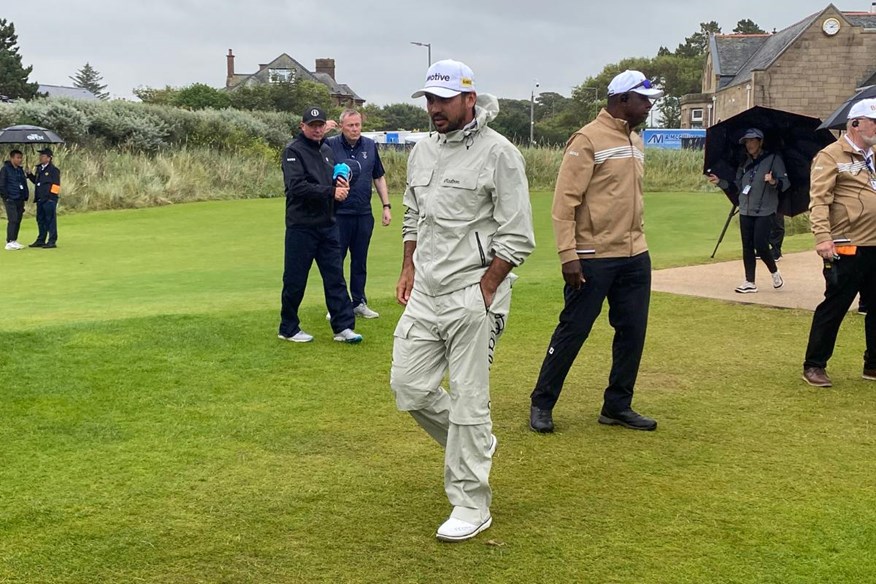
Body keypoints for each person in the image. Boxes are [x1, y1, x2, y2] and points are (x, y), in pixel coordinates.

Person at [390, 59, 535, 542]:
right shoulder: (422, 151)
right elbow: (414, 214)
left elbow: (517, 235)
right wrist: (409, 266)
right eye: (429, 100)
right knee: (409, 388)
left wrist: (487, 287)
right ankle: (473, 443)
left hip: (473, 293)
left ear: (469, 99)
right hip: (426, 292)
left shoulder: (500, 154)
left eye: (443, 100)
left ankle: (471, 503)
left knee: (471, 401)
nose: (434, 109)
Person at [528, 70, 662, 434]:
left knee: (632, 331)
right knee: (574, 330)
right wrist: (567, 254)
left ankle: (617, 405)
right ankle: (542, 401)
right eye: (643, 98)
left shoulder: (635, 140)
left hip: (635, 254)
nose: (648, 105)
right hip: (591, 256)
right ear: (622, 100)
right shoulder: (587, 139)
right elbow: (564, 202)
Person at [801, 98, 876, 387]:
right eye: (873, 122)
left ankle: (873, 364)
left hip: (874, 243)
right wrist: (822, 237)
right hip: (847, 243)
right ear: (855, 123)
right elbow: (819, 200)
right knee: (836, 304)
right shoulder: (830, 156)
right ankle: (815, 365)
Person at [277, 106, 363, 344]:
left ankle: (343, 327)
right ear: (302, 126)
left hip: (327, 224)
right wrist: (331, 192)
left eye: (320, 125)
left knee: (335, 277)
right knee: (295, 279)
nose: (316, 129)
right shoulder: (293, 151)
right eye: (312, 125)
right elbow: (297, 187)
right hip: (301, 226)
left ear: (325, 126)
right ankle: (288, 327)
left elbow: (330, 180)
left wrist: (340, 179)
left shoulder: (326, 150)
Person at [325, 109, 392, 319]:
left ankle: (359, 302)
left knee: (360, 260)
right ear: (342, 126)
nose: (355, 129)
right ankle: (336, 305)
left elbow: (378, 177)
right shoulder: (330, 145)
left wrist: (386, 205)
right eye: (350, 125)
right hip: (339, 213)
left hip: (363, 213)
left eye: (358, 125)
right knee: (337, 259)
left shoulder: (370, 146)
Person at [708, 128, 789, 293]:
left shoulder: (773, 159)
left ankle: (774, 272)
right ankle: (749, 281)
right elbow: (737, 186)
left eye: (753, 141)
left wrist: (773, 181)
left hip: (765, 209)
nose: (749, 144)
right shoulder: (744, 163)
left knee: (761, 245)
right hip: (745, 209)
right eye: (747, 141)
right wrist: (719, 182)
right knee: (747, 246)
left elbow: (785, 183)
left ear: (760, 142)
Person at [26, 147, 61, 248]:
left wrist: (51, 198)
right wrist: (29, 175)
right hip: (40, 199)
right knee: (40, 220)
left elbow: (56, 186)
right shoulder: (39, 169)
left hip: (49, 200)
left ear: (49, 158)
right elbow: (37, 182)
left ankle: (52, 240)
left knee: (50, 220)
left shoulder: (53, 170)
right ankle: (41, 239)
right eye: (40, 156)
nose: (40, 158)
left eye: (43, 156)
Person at [0, 149, 29, 250]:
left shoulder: (20, 170)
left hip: (19, 198)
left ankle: (14, 240)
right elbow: (2, 184)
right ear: (12, 158)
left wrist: (25, 195)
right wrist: (6, 197)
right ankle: (9, 241)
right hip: (10, 198)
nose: (20, 160)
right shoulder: (5, 169)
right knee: (13, 219)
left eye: (21, 158)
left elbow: (23, 183)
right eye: (18, 158)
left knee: (18, 220)